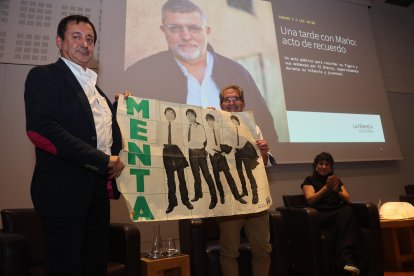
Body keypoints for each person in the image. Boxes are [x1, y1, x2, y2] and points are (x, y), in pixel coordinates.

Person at [24, 15, 125, 275]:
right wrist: (103, 160)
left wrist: (121, 111)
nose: (85, 44)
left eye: (89, 39)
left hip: (97, 192)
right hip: (63, 193)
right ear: (60, 41)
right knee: (66, 268)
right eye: (76, 37)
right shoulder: (44, 76)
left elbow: (106, 139)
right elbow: (41, 130)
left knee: (95, 266)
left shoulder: (97, 92)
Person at [123, 0, 277, 143]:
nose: (186, 36)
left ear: (207, 31)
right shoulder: (139, 75)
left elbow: (265, 128)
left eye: (194, 28)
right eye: (175, 28)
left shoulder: (238, 73)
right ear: (164, 31)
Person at [218, 84, 275, 276]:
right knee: (229, 252)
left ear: (242, 103)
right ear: (221, 104)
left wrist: (265, 153)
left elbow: (262, 164)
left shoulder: (254, 127)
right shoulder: (211, 124)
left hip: (256, 197)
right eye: (227, 99)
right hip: (229, 197)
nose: (232, 102)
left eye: (236, 99)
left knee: (262, 250)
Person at [301, 152, 360, 275]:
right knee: (346, 214)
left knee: (348, 210)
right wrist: (326, 188)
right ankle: (346, 259)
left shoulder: (335, 179)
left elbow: (347, 198)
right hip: (320, 213)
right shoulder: (309, 180)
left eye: (327, 164)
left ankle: (347, 262)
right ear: (316, 166)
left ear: (331, 166)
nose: (323, 167)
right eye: (321, 164)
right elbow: (310, 200)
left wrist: (336, 190)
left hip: (336, 211)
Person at [205, 113, 247, 205]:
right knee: (217, 178)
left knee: (229, 176)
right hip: (213, 157)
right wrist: (213, 153)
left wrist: (224, 152)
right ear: (206, 122)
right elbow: (205, 146)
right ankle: (222, 196)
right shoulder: (205, 132)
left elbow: (224, 142)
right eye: (208, 120)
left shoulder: (218, 130)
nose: (210, 122)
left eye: (211, 120)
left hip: (221, 155)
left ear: (213, 121)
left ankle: (238, 197)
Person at [160, 107, 194, 213]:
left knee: (182, 178)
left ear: (174, 115)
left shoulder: (179, 126)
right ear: (165, 114)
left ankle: (186, 200)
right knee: (170, 180)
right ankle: (172, 202)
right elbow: (157, 139)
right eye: (168, 112)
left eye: (172, 113)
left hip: (177, 151)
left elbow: (182, 139)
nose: (170, 114)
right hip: (166, 151)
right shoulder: (161, 125)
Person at [186, 108, 218, 209]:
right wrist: (193, 143)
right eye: (188, 115)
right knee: (196, 175)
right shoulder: (186, 127)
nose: (190, 116)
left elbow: (203, 139)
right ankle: (198, 194)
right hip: (191, 153)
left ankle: (214, 197)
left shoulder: (201, 126)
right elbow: (184, 141)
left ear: (195, 116)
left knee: (206, 174)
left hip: (200, 152)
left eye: (191, 114)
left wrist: (194, 142)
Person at [230, 115, 260, 204]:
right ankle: (244, 190)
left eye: (234, 120)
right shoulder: (231, 131)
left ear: (237, 120)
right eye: (231, 121)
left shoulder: (243, 128)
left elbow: (244, 141)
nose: (233, 122)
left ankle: (255, 193)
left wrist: (236, 146)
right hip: (237, 153)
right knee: (240, 173)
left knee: (249, 173)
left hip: (245, 152)